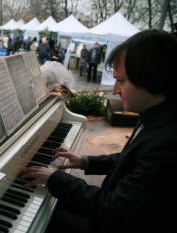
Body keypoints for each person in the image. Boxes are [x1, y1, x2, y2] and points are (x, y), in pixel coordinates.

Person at [19, 29, 177, 233]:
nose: (114, 90)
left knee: (42, 219)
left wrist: (54, 178)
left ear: (151, 79)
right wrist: (85, 161)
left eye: (121, 81)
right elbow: (131, 159)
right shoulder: (156, 112)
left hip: (117, 221)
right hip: (118, 207)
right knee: (49, 202)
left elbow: (117, 207)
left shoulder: (168, 142)